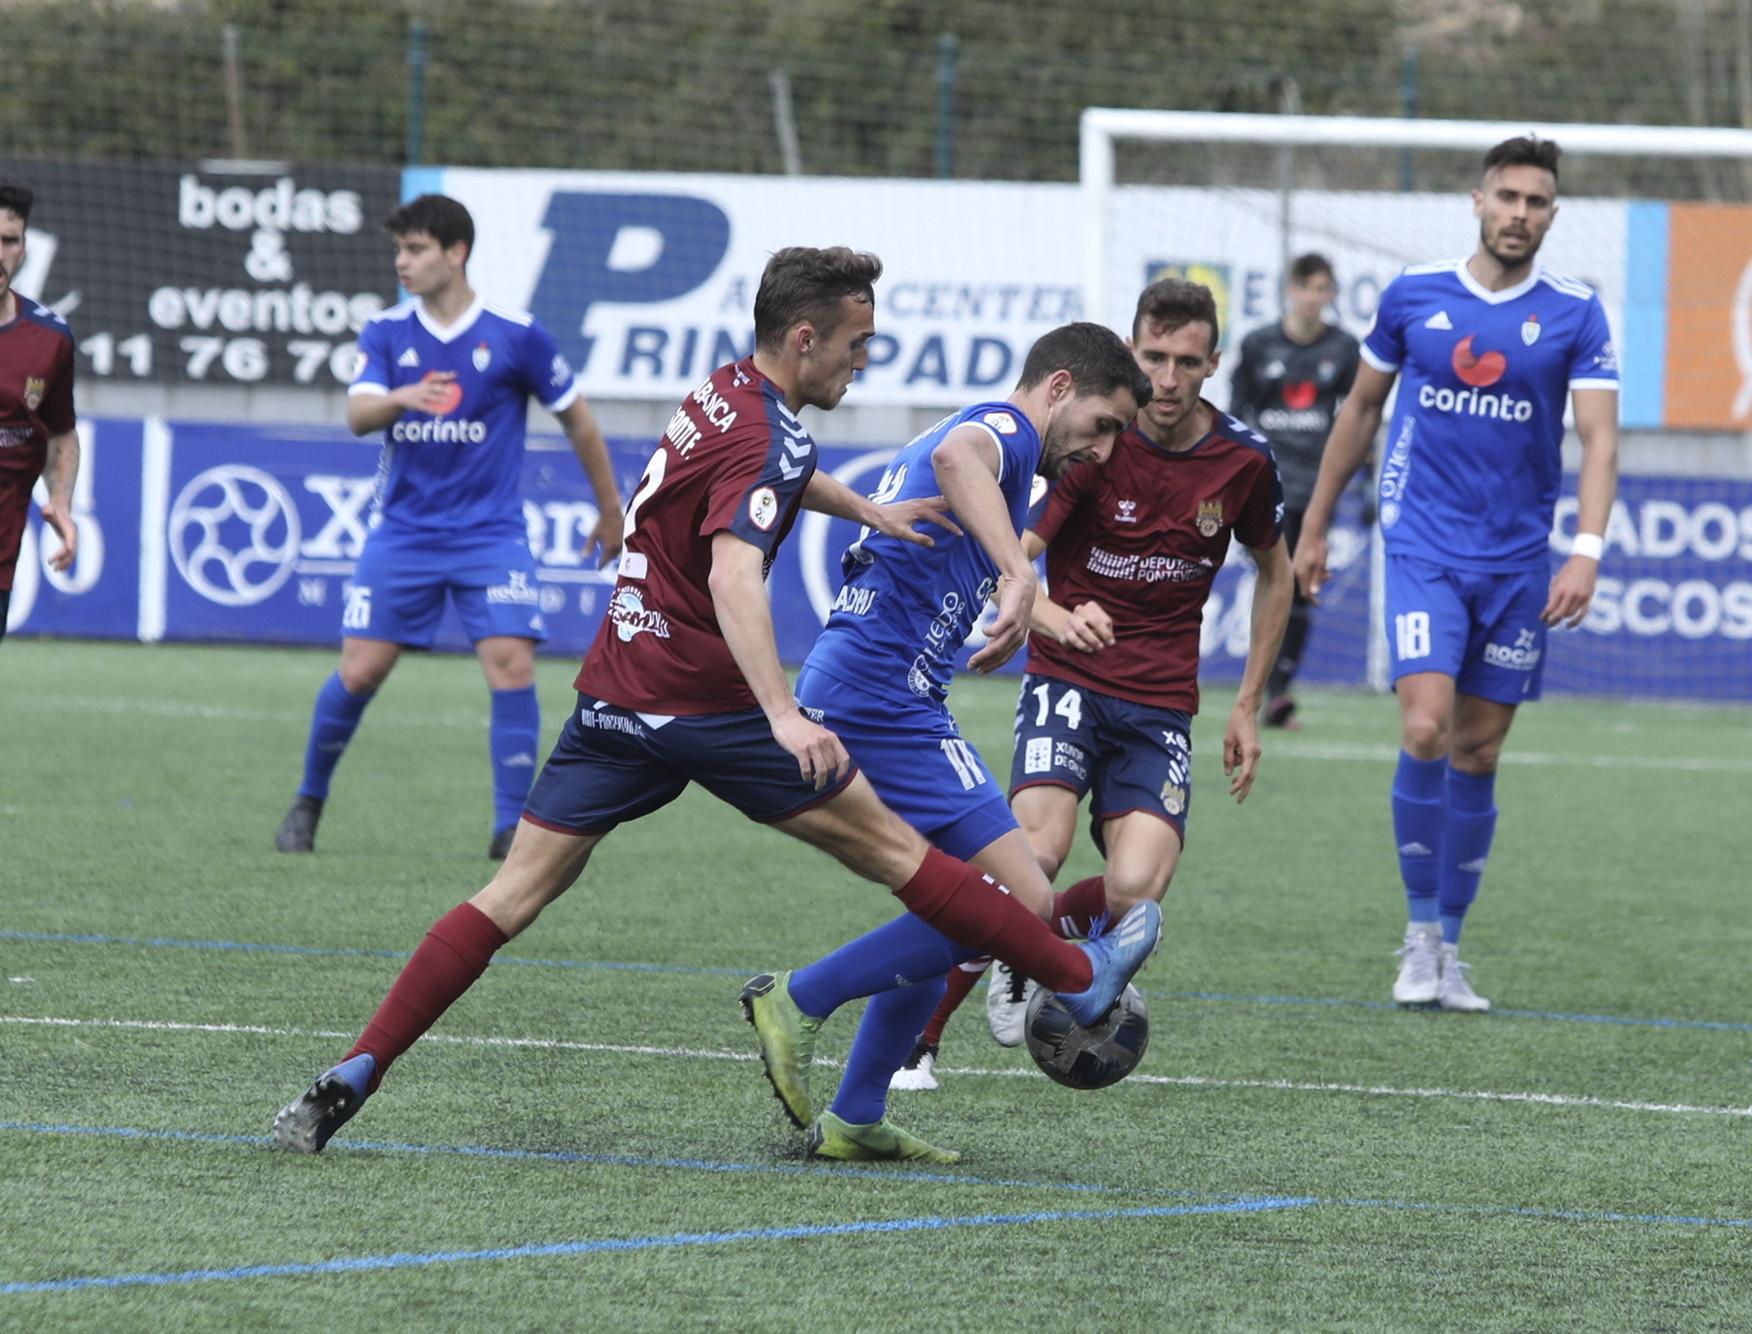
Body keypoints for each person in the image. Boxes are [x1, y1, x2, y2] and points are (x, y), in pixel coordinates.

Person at [274, 251, 1156, 1157]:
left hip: (617, 696)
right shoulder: (878, 436)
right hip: (717, 708)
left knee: (509, 896)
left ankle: (359, 1067)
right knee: (920, 864)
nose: (863, 363)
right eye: (855, 347)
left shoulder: (724, 394)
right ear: (805, 339)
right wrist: (780, 714)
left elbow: (774, 473)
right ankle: (1069, 981)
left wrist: (867, 509)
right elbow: (737, 568)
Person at [742, 321, 1163, 1162]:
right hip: (881, 700)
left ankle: (857, 1114)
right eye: (1104, 424)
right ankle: (799, 997)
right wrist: (1021, 574)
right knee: (1022, 905)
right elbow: (955, 462)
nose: (1104, 452)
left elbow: (965, 522)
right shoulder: (1004, 433)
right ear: (1058, 387)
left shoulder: (1007, 458)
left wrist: (1035, 611)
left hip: (881, 693)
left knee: (949, 901)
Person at [893, 278, 1292, 1090]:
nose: (1170, 379)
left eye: (1188, 361)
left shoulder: (1244, 461)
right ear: (1133, 355)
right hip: (1068, 680)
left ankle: (1027, 943)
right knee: (1031, 852)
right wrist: (1038, 614)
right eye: (1155, 358)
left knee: (1137, 892)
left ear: (1215, 362)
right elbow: (1016, 553)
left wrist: (1247, 702)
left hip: (1160, 703)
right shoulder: (1093, 444)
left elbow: (1275, 573)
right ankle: (920, 1042)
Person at [1292, 136, 1619, 1012]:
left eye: (1536, 201)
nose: (1519, 213)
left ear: (1553, 214)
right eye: (1507, 196)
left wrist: (1585, 550)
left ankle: (1451, 949)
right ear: (1477, 200)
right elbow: (1360, 410)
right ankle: (1416, 933)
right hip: (1423, 547)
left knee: (1480, 750)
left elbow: (1598, 440)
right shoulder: (1415, 296)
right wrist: (1315, 526)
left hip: (1516, 562)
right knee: (1428, 727)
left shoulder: (1577, 314)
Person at [273, 193, 625, 860]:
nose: (401, 263)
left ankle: (509, 831)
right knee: (360, 672)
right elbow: (358, 416)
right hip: (403, 533)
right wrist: (401, 398)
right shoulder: (385, 333)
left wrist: (611, 510)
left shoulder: (515, 334)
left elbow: (577, 418)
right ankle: (307, 800)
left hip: (489, 536)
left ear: (455, 253)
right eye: (399, 251)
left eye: (415, 250)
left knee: (512, 664)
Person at [1229, 253, 1361, 730]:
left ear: (1331, 296)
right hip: (1266, 482)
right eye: (1306, 288)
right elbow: (1238, 412)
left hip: (1316, 485)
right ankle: (1264, 687)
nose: (1313, 299)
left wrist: (1364, 485)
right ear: (1291, 290)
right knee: (1276, 577)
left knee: (1301, 587)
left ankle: (1278, 690)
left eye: (1322, 289)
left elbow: (1357, 417)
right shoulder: (1259, 345)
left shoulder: (1345, 349)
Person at [0, 175, 78, 638]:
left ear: (24, 249)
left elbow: (61, 433)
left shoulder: (50, 340)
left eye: (9, 241)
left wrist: (61, 502)